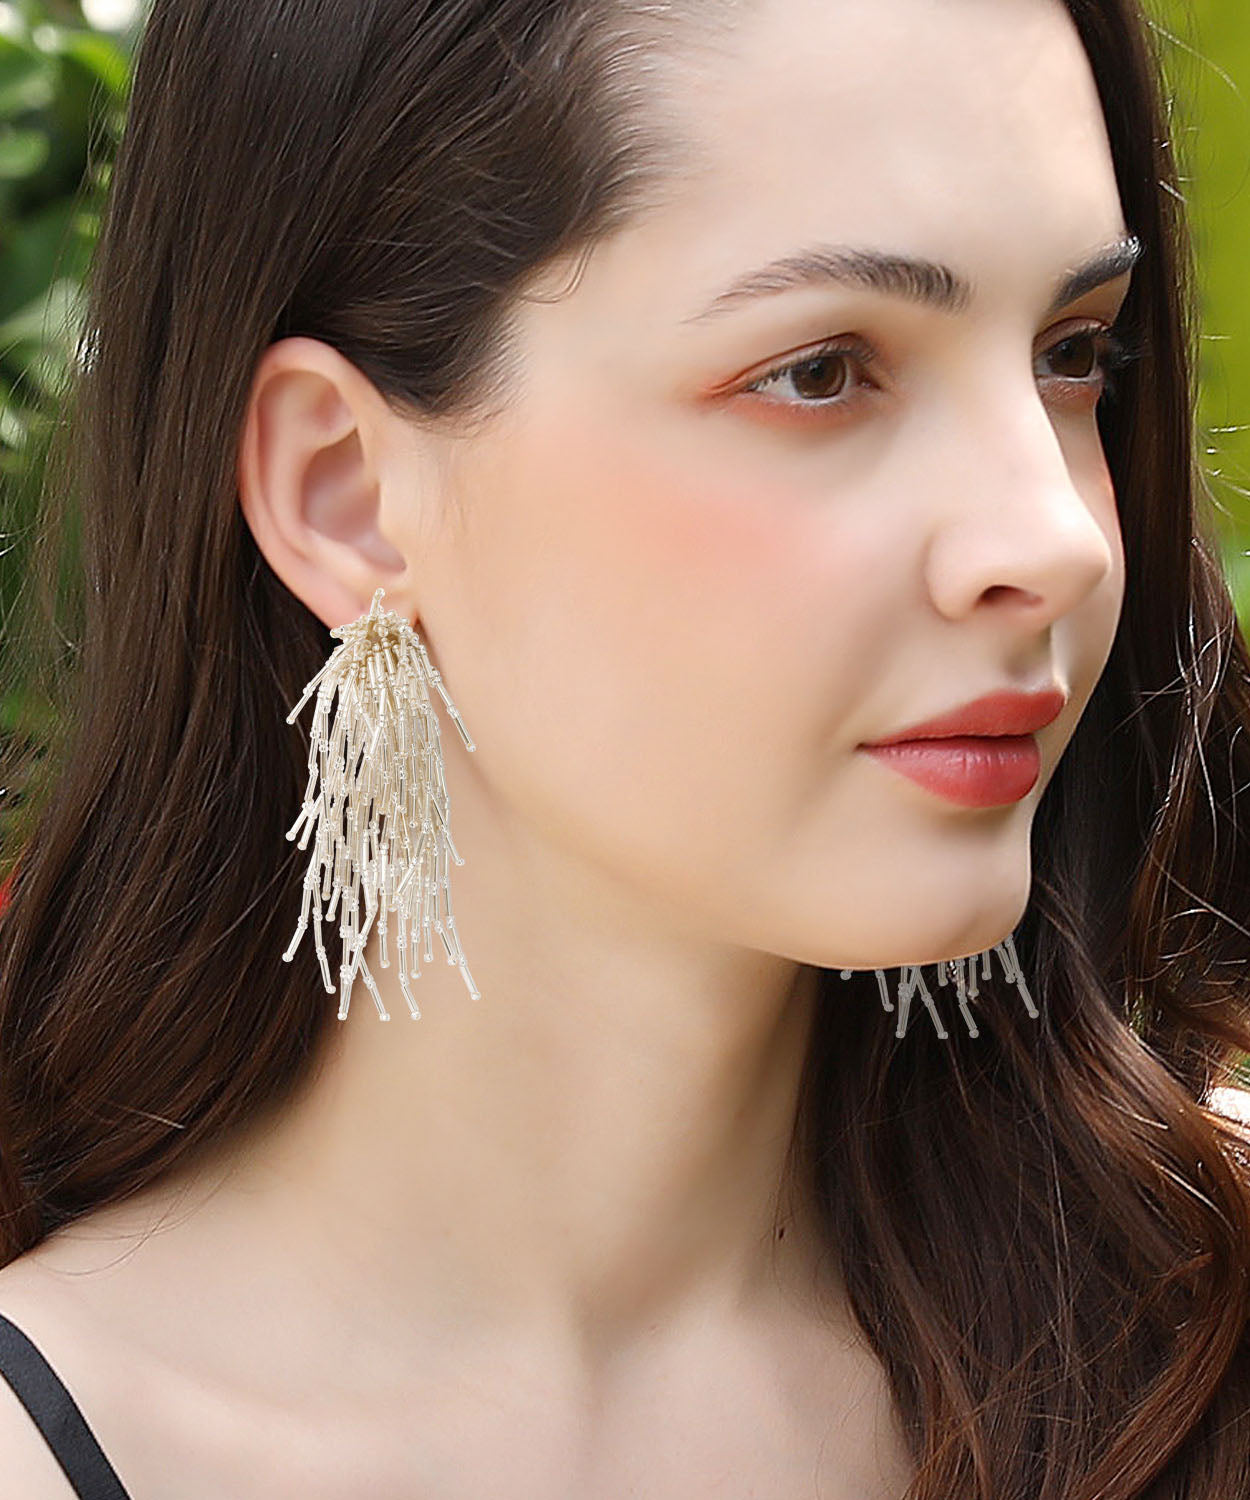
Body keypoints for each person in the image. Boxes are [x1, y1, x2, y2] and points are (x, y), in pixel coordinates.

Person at [0, 0, 1248, 1494]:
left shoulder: (1193, 1347)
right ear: (348, 492)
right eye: (820, 371)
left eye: (1073, 354)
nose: (1053, 538)